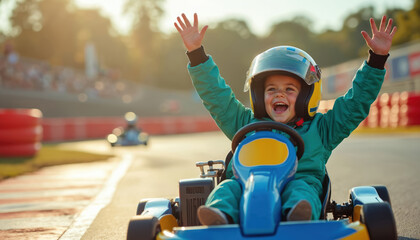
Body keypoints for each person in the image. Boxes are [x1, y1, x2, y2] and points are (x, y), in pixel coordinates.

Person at [174, 13, 397, 225]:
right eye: (271, 89)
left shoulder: (320, 130)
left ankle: (296, 217)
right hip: (245, 186)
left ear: (305, 97)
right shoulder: (244, 123)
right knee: (227, 189)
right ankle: (220, 216)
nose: (279, 94)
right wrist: (196, 54)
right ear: (259, 96)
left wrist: (376, 59)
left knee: (300, 189)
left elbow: (354, 105)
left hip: (300, 185)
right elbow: (217, 96)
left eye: (289, 89)